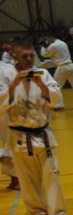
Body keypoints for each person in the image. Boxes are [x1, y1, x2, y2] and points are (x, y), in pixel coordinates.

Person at [0, 40, 69, 215]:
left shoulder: (43, 74)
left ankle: (57, 211)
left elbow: (56, 98)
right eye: (24, 56)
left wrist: (40, 83)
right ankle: (36, 209)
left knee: (52, 174)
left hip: (43, 133)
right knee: (27, 177)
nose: (29, 59)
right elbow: (1, 104)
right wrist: (15, 84)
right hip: (19, 134)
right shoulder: (6, 75)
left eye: (31, 55)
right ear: (15, 56)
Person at [39, 32, 73, 111]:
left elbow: (45, 54)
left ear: (51, 37)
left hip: (62, 67)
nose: (47, 40)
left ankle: (58, 105)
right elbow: (56, 59)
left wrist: (42, 46)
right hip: (70, 66)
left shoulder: (54, 45)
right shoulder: (63, 43)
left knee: (56, 86)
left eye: (47, 38)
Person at [0, 59, 19, 190]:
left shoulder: (7, 68)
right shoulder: (9, 68)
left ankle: (16, 179)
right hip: (11, 109)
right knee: (10, 142)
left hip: (5, 108)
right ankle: (16, 179)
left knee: (10, 143)